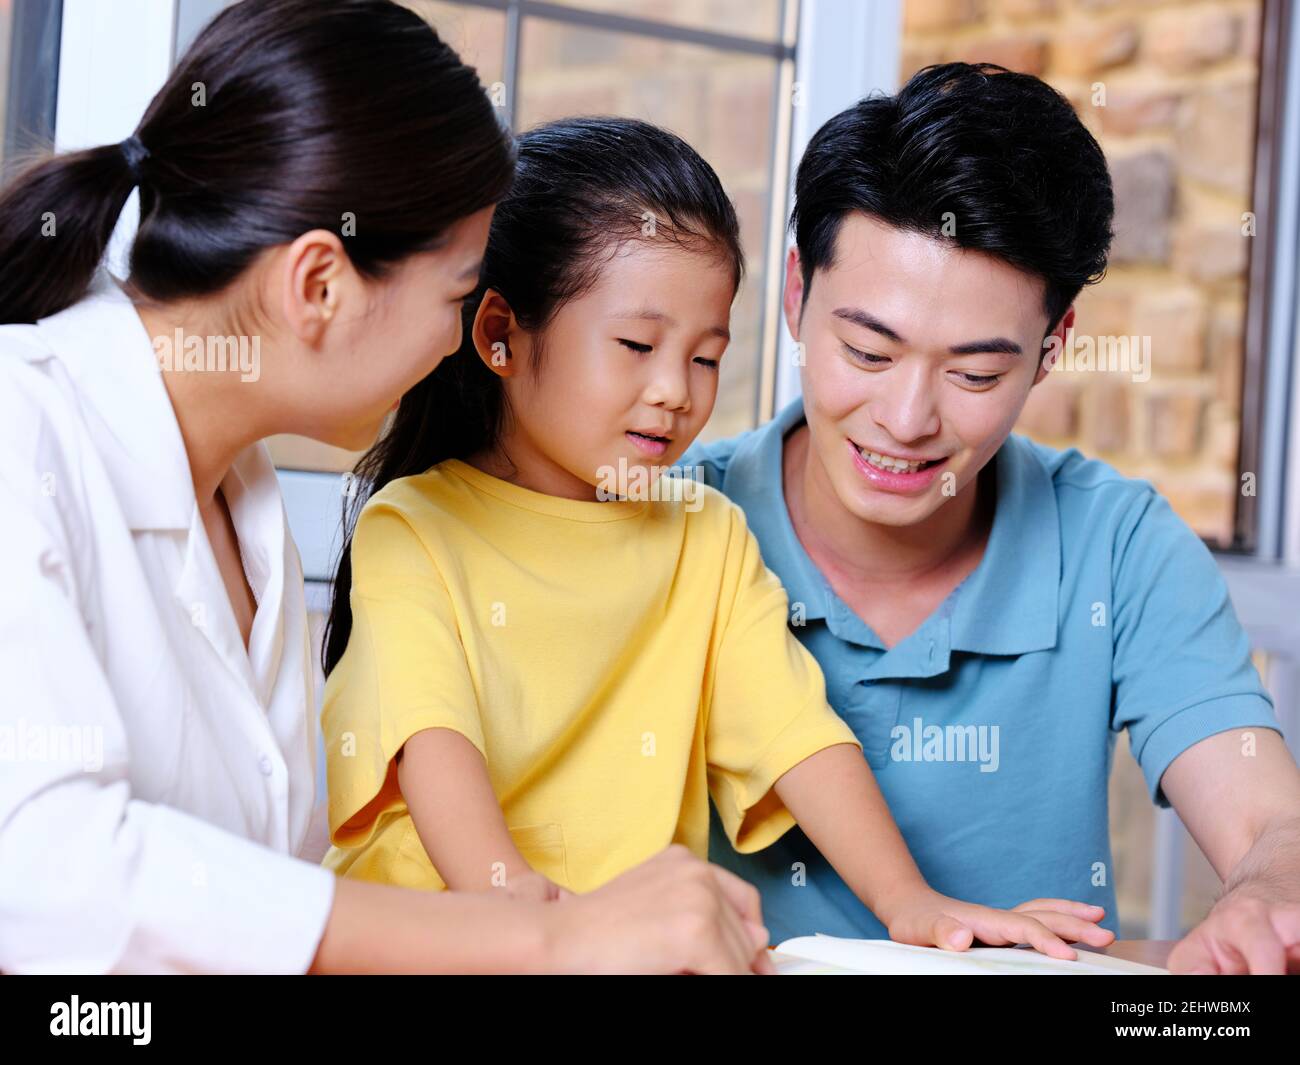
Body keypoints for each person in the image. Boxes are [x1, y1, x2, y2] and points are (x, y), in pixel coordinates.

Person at [0, 0, 771, 976]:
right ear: (318, 285)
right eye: (456, 298)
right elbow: (48, 870)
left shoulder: (244, 506)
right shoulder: (18, 430)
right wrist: (545, 938)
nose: (459, 344)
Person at [320, 116, 1114, 960]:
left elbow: (796, 735)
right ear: (500, 335)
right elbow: (433, 741)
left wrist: (909, 901)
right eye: (637, 345)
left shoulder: (707, 536)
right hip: (440, 946)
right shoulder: (416, 528)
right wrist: (520, 903)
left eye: (706, 358)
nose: (675, 391)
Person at [680, 63, 1300, 975]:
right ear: (795, 292)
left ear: (1053, 348)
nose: (906, 418)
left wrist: (1269, 894)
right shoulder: (673, 520)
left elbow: (1265, 819)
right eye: (867, 349)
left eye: (974, 374)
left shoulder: (1116, 543)